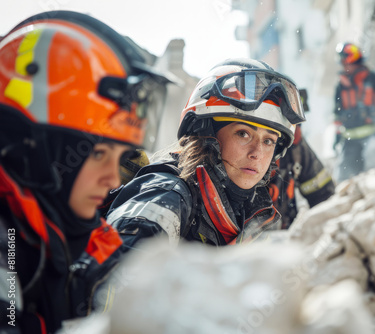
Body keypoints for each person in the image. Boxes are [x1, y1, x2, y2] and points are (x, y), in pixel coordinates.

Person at [0, 11, 168, 333]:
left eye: (120, 157)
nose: (114, 179)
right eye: (99, 154)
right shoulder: (10, 243)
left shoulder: (74, 238)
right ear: (37, 147)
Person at [105, 58, 306, 248]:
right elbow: (114, 276)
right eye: (243, 134)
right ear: (206, 133)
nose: (258, 153)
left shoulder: (247, 211)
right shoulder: (167, 194)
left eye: (269, 141)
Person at [333, 42, 375, 182]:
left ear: (355, 61)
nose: (344, 67)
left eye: (346, 63)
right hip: (351, 140)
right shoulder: (341, 86)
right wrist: (337, 137)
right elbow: (337, 115)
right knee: (343, 174)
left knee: (372, 162)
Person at [268, 89, 335, 229]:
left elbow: (323, 196)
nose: (294, 132)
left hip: (282, 238)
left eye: (297, 124)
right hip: (239, 245)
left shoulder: (297, 150)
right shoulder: (245, 151)